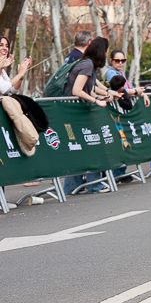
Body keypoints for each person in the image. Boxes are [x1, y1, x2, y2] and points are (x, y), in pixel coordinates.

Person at [63, 37, 119, 194]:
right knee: (94, 145)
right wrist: (96, 101)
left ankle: (71, 187)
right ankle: (94, 185)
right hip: (76, 112)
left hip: (74, 111)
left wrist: (100, 96)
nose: (107, 54)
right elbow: (77, 90)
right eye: (107, 51)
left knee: (79, 148)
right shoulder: (87, 65)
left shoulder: (87, 64)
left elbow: (88, 89)